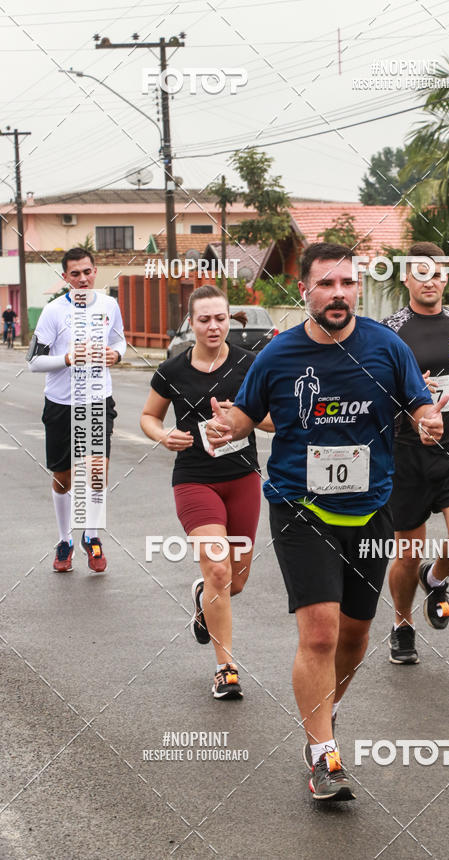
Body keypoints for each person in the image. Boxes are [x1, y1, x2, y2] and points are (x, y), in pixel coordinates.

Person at [205, 243, 448, 801]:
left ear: (356, 288)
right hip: (298, 506)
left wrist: (429, 418)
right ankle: (322, 753)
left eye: (346, 283)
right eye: (326, 284)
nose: (337, 293)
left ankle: (325, 712)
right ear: (305, 291)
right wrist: (227, 428)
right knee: (319, 631)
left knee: (356, 636)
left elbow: (419, 404)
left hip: (371, 509)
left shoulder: (387, 347)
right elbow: (246, 415)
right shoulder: (278, 355)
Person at [140, 284, 273, 701]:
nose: (213, 326)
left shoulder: (251, 365)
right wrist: (164, 436)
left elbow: (272, 421)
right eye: (204, 319)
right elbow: (147, 416)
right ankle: (225, 668)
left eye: (220, 318)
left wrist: (240, 417)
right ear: (191, 323)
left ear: (228, 319)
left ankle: (202, 597)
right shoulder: (173, 371)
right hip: (195, 478)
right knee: (217, 569)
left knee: (234, 582)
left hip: (243, 478)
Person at [382, 242, 449, 666]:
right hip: (405, 451)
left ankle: (437, 576)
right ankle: (402, 625)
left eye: (438, 273)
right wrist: (410, 398)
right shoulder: (390, 330)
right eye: (421, 273)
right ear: (407, 278)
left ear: (447, 277)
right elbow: (373, 388)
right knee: (406, 554)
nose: (431, 281)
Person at [27, 248, 126, 573]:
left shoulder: (109, 305)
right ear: (65, 277)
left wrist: (116, 355)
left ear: (95, 271)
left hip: (97, 400)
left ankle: (92, 536)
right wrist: (67, 359)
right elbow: (34, 362)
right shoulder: (53, 312)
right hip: (60, 404)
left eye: (87, 272)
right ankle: (65, 538)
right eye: (75, 274)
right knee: (64, 477)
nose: (83, 279)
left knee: (96, 473)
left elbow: (119, 341)